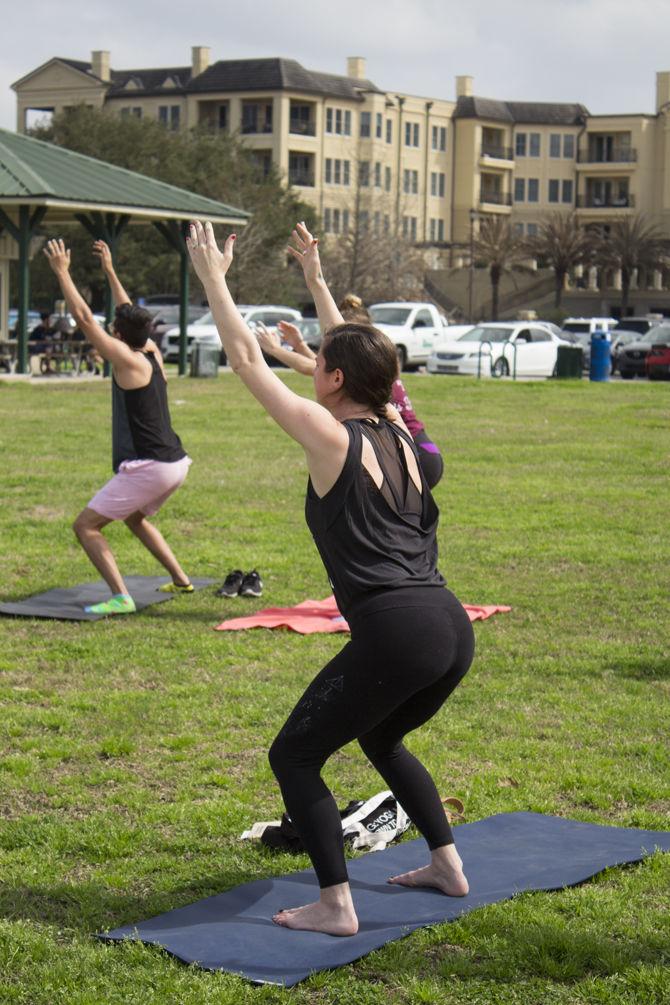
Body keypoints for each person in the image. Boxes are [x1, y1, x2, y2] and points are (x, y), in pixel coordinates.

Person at [187, 220, 474, 936]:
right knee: (381, 739)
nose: (312, 364)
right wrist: (315, 281)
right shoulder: (408, 438)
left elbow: (250, 364)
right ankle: (447, 864)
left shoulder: (330, 436)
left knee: (295, 755)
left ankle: (336, 905)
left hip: (400, 629)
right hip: (450, 624)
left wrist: (214, 279)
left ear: (335, 379)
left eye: (320, 360)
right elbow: (369, 363)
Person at [43, 238, 193, 615]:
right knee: (134, 517)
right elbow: (127, 311)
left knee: (86, 527)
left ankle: (120, 597)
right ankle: (180, 578)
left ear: (120, 336)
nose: (110, 327)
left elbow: (83, 318)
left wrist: (63, 271)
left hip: (153, 466)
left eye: (115, 327)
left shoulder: (128, 361)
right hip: (176, 462)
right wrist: (109, 270)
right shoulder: (151, 352)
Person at [257, 316, 445, 490]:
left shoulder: (362, 401)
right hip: (415, 446)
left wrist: (276, 350)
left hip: (408, 451)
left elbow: (317, 366)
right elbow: (323, 365)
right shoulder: (377, 368)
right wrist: (299, 344)